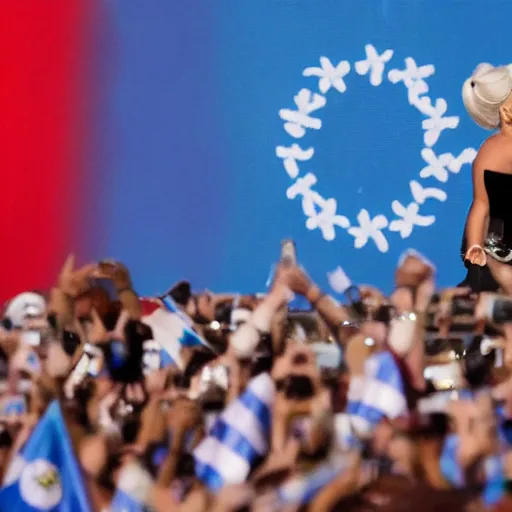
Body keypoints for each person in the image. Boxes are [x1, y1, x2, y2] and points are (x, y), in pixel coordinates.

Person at [459, 63, 512, 293]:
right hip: (500, 252)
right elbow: (481, 205)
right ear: (507, 111)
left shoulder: (490, 150)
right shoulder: (496, 151)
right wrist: (475, 246)